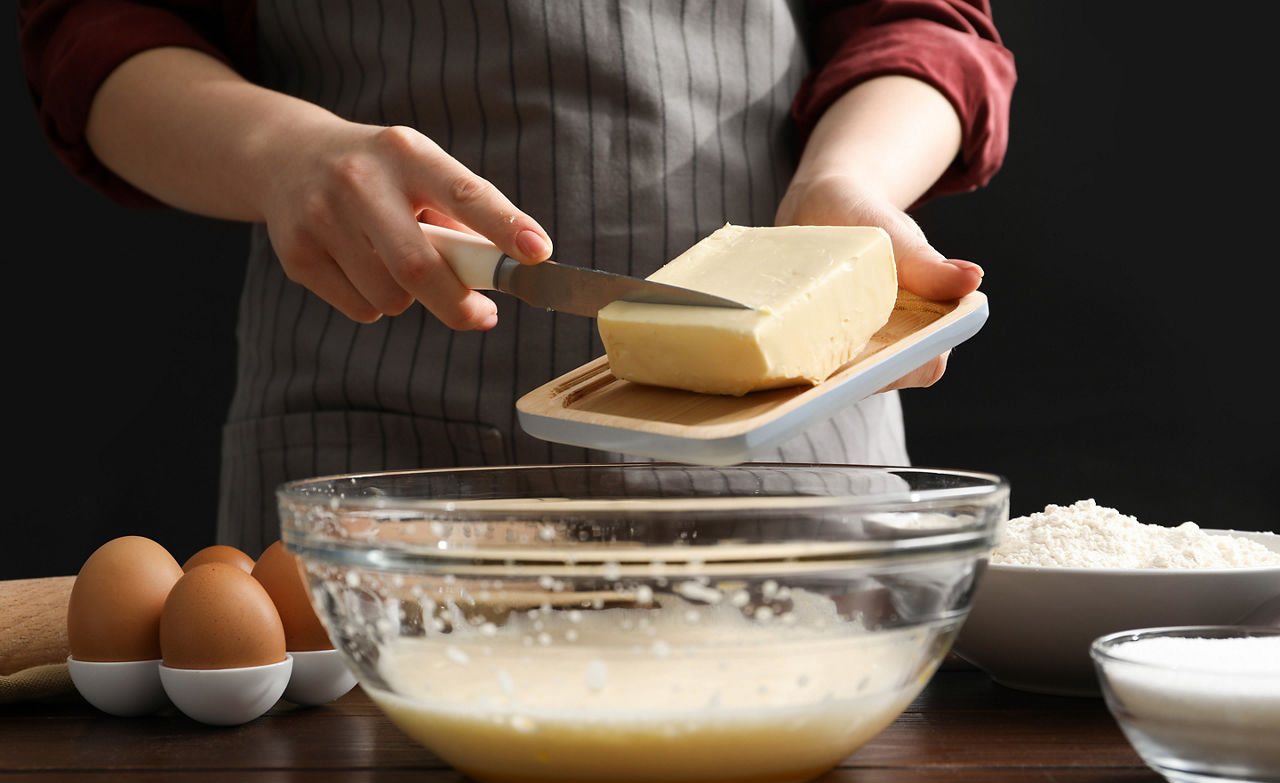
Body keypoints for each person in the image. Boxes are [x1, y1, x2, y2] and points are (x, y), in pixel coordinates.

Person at [18, 0, 1016, 557]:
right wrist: (284, 155)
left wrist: (848, 183)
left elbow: (923, 20)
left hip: (789, 451)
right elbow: (95, 29)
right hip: (370, 448)